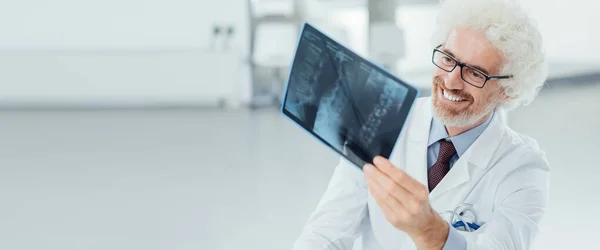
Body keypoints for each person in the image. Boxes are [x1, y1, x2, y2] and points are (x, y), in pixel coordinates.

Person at [291, 0, 550, 249]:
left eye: (475, 73)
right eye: (448, 58)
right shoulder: (380, 119)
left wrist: (432, 232)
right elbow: (326, 232)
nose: (451, 81)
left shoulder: (523, 168)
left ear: (509, 90)